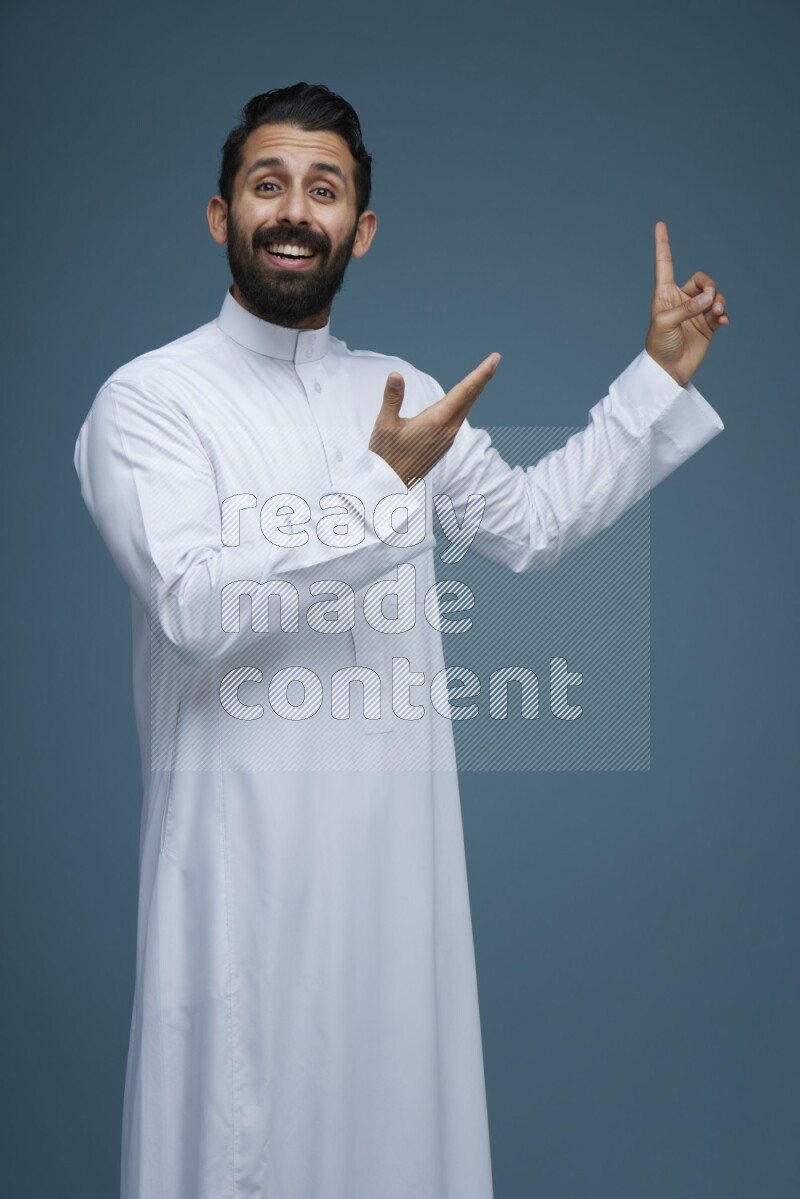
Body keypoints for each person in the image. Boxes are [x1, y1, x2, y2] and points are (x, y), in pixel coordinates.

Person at [73, 81, 728, 1199]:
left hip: (395, 883)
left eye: (321, 190)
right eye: (266, 184)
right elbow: (194, 606)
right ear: (219, 214)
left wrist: (651, 380)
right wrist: (383, 483)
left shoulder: (406, 394)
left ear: (359, 231)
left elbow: (529, 528)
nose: (293, 210)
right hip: (240, 882)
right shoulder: (149, 402)